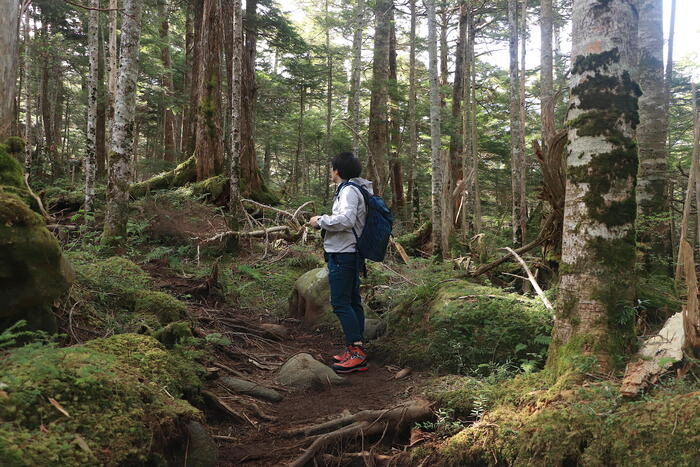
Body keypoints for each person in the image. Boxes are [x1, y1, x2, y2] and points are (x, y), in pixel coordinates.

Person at [309, 152, 371, 374]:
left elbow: (346, 220)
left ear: (337, 170)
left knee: (341, 303)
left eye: (331, 167)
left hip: (344, 254)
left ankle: (357, 353)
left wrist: (320, 221)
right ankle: (355, 347)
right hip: (349, 253)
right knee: (352, 301)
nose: (330, 171)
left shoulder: (349, 192)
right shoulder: (352, 190)